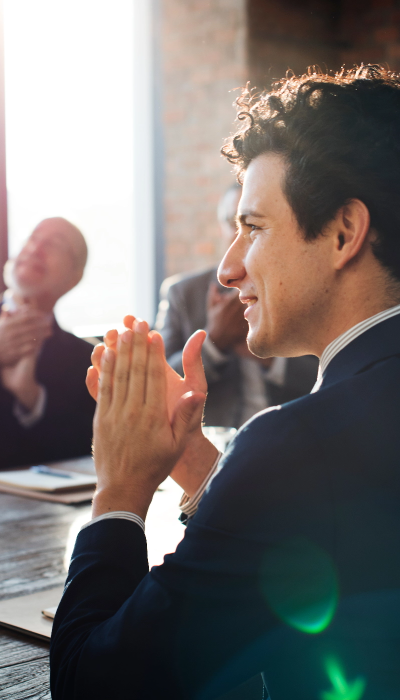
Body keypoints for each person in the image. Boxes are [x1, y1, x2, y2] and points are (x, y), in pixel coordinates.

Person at [51, 66, 400, 699]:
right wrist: (193, 460)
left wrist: (121, 489)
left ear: (345, 233)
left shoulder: (297, 445)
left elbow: (92, 684)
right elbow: (324, 538)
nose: (228, 266)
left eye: (254, 227)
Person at [156, 183, 318, 427]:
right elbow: (161, 385)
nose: (239, 234)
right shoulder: (183, 293)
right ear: (220, 228)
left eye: (253, 225)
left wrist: (269, 358)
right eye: (232, 223)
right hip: (213, 447)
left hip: (290, 436)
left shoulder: (295, 286)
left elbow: (330, 376)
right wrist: (214, 343)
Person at [0, 217, 95, 467]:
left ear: (74, 278)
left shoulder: (88, 361)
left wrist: (31, 396)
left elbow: (88, 446)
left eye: (55, 244)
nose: (35, 248)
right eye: (32, 238)